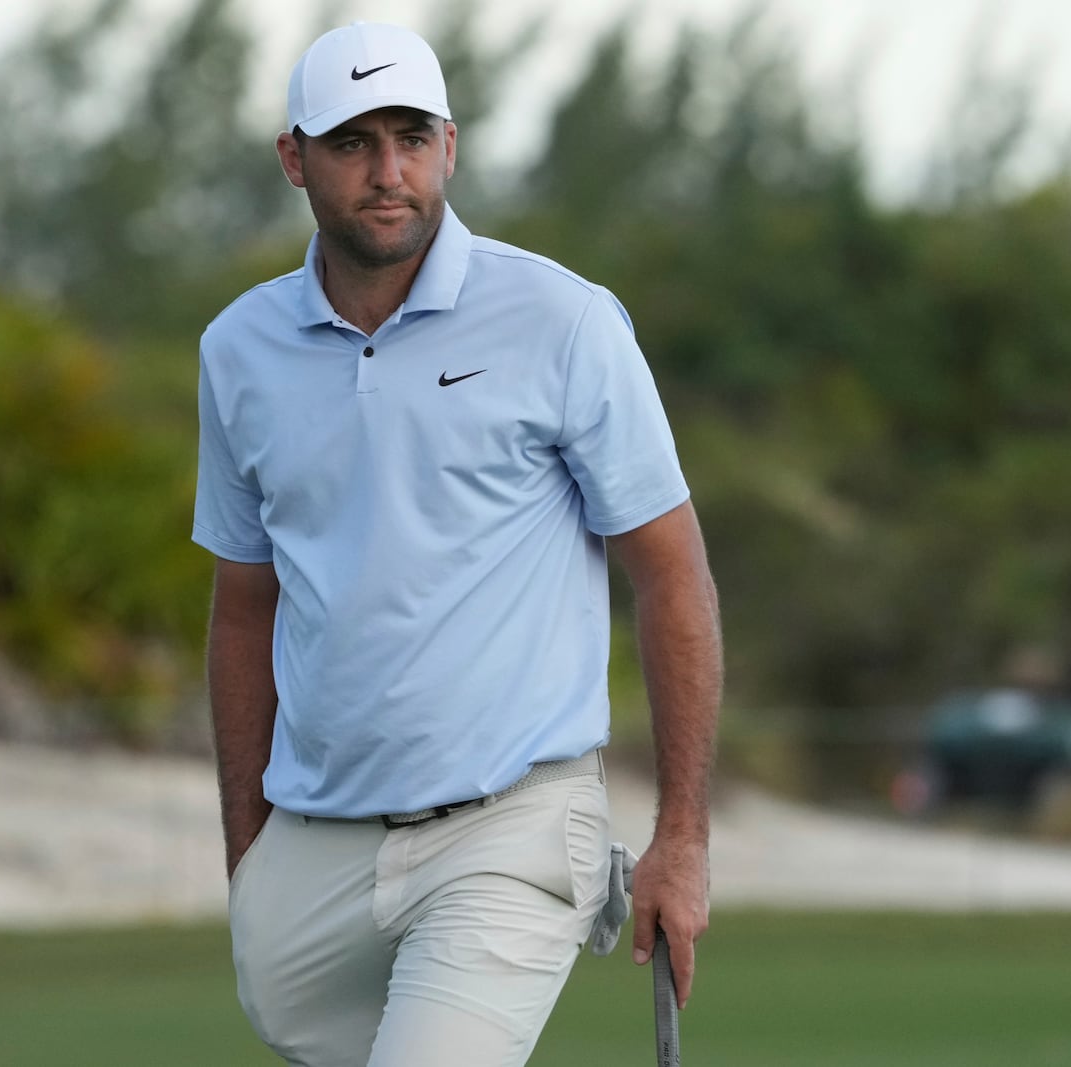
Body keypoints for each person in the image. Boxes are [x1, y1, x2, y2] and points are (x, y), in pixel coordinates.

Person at [192, 20, 721, 1067]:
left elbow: (671, 572)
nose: (389, 173)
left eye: (412, 137)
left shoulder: (562, 320)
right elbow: (245, 603)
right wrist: (248, 854)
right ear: (294, 158)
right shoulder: (238, 348)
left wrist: (681, 836)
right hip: (314, 848)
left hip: (511, 827)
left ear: (450, 144)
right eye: (352, 143)